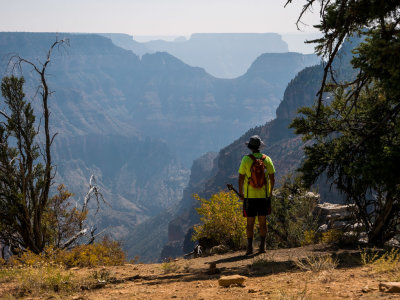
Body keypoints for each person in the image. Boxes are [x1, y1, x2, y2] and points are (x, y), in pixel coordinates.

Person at [238, 135, 275, 255]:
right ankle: (262, 247)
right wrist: (270, 192)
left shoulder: (246, 160)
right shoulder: (267, 159)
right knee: (263, 222)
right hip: (263, 197)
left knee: (250, 223)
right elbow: (272, 177)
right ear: (260, 147)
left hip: (250, 197)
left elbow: (241, 177)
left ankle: (249, 248)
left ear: (250, 147)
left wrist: (241, 192)